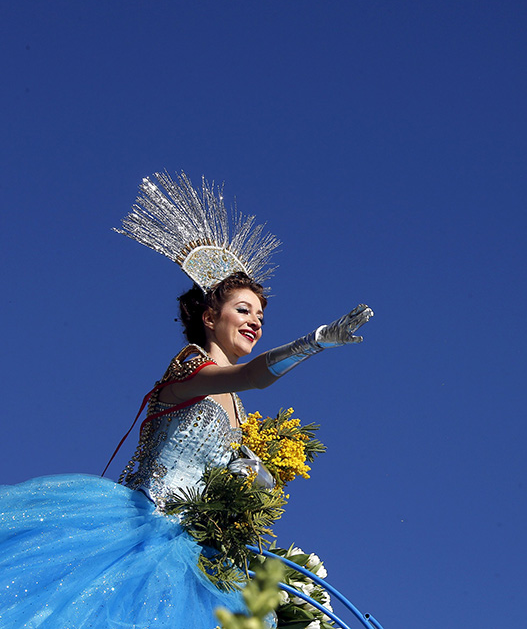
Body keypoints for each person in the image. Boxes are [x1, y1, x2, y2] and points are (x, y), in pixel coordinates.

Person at [0, 172, 372, 628]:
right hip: (137, 531)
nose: (255, 322)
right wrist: (314, 342)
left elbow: (251, 479)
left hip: (196, 550)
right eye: (243, 310)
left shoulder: (238, 409)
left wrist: (259, 476)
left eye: (260, 314)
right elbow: (256, 375)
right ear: (209, 315)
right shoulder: (190, 367)